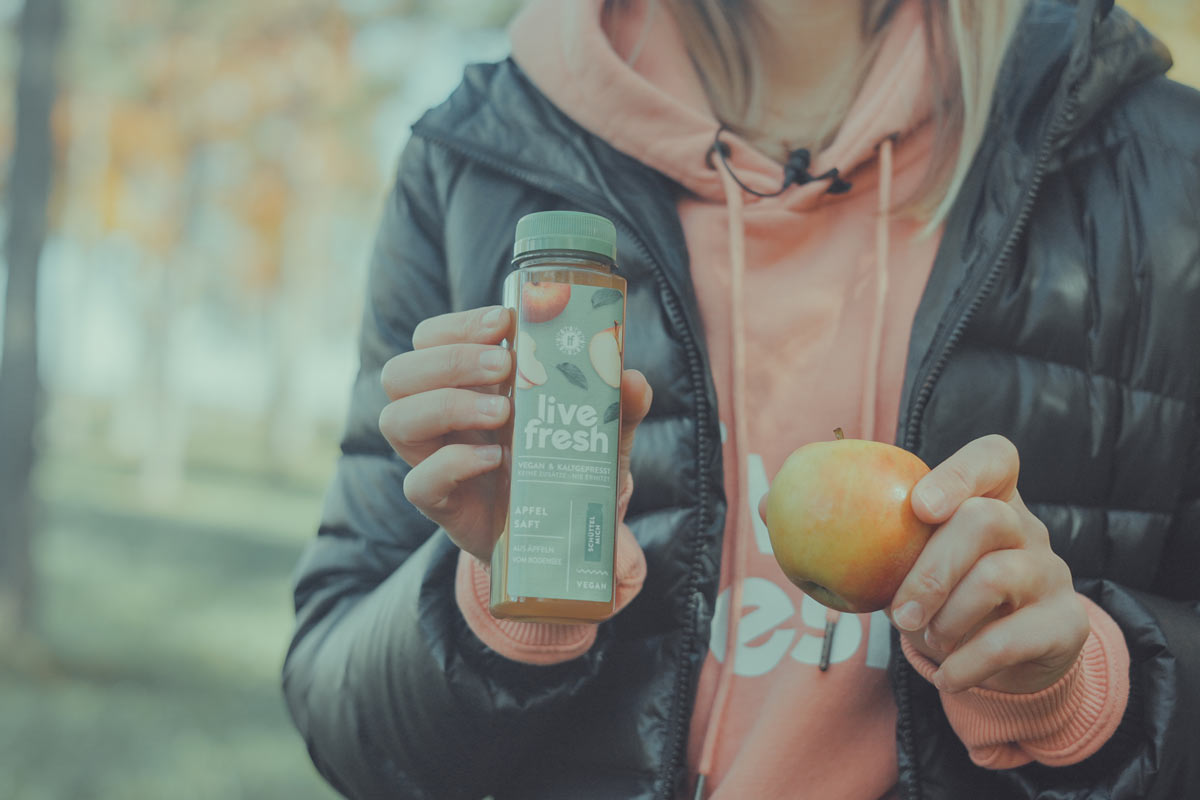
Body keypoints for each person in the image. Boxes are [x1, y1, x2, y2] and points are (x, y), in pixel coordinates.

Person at [281, 0, 1200, 797]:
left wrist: (1078, 688)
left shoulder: (1164, 174)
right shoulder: (477, 161)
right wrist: (514, 595)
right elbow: (352, 731)